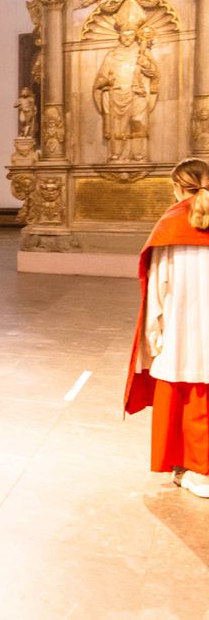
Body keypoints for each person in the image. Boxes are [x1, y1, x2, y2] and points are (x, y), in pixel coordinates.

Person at [125, 158, 209, 498]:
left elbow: (158, 288)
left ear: (177, 187)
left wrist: (154, 336)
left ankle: (197, 471)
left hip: (182, 327)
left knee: (184, 394)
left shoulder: (171, 224)